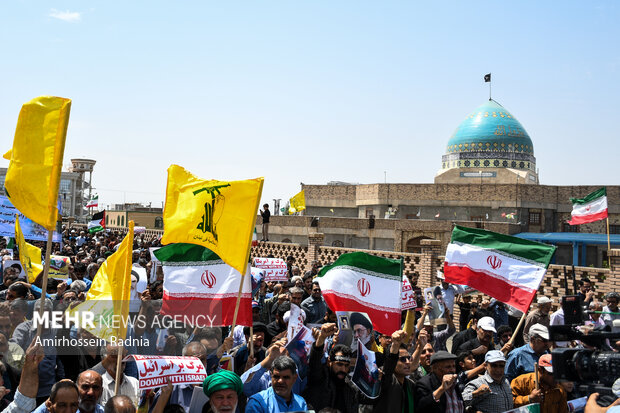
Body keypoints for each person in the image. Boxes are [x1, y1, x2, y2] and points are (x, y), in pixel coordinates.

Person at [304, 323, 362, 413]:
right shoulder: (320, 379)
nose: (343, 369)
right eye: (339, 364)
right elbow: (315, 362)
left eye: (346, 366)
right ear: (329, 362)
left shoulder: (351, 389)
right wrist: (321, 338)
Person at [372, 329, 416, 413]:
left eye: (408, 358)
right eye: (402, 359)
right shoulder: (383, 380)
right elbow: (388, 370)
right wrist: (395, 345)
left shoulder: (411, 385)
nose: (407, 362)